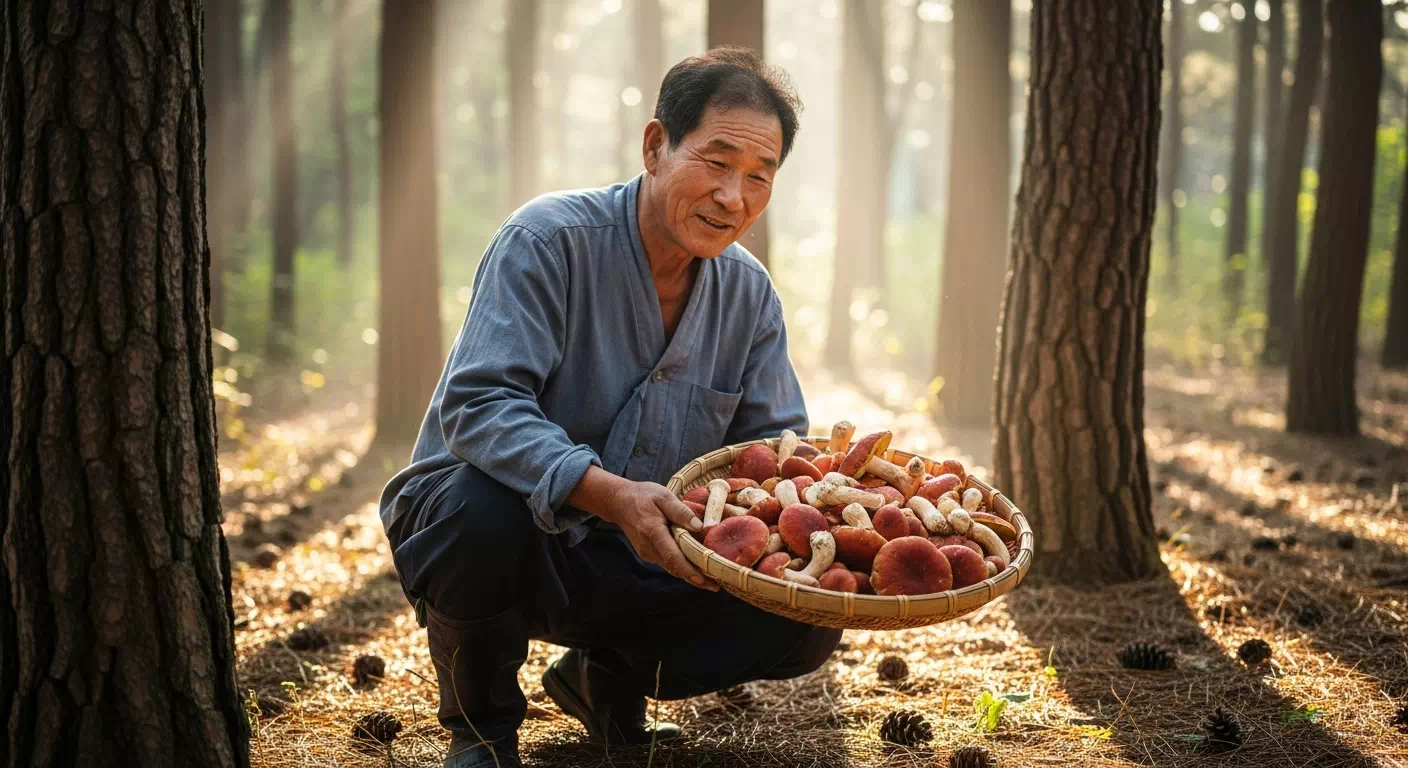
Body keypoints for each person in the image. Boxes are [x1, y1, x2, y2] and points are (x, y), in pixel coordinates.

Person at [379, 46, 841, 768]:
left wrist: (824, 503)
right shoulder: (547, 240)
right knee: (480, 505)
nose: (734, 196)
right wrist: (609, 494)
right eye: (716, 162)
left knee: (805, 619)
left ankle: (604, 680)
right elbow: (480, 402)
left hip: (651, 555)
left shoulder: (749, 296)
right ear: (655, 146)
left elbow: (770, 450)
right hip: (504, 540)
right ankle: (482, 731)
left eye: (760, 175)